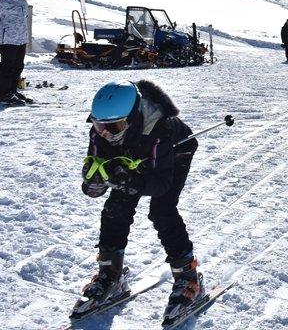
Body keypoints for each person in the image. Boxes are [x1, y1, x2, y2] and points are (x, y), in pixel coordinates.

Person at [76, 81, 203, 325]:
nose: (106, 133)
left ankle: (188, 276)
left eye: (115, 127)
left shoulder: (160, 129)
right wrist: (94, 183)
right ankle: (110, 273)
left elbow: (162, 183)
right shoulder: (102, 130)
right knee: (116, 207)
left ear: (132, 117)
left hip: (176, 152)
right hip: (135, 155)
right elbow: (96, 166)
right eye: (99, 125)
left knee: (162, 210)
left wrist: (133, 182)